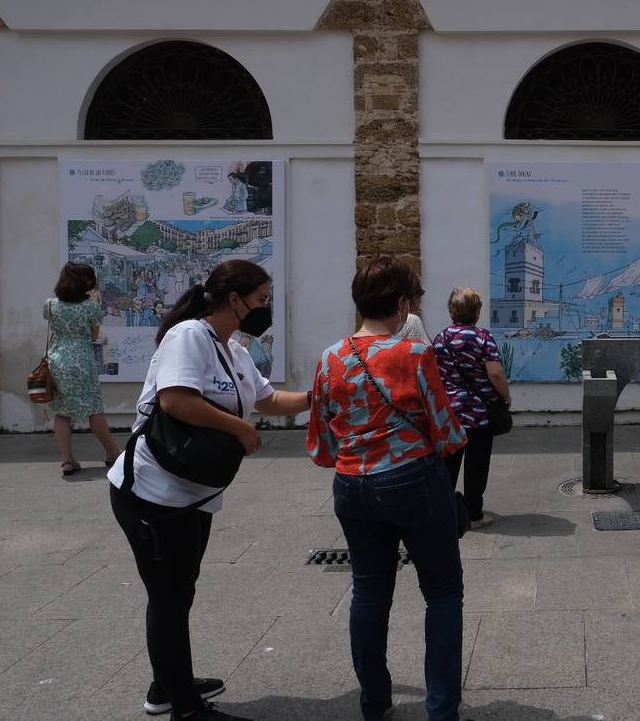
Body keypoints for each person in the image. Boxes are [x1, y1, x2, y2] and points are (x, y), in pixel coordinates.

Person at [107, 260, 310, 721]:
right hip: (151, 494)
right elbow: (174, 399)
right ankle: (184, 706)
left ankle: (168, 681)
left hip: (190, 493)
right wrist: (240, 429)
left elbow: (270, 400)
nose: (265, 308)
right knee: (169, 595)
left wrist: (323, 391)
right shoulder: (189, 337)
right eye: (260, 300)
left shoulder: (235, 351)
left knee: (181, 590)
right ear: (234, 300)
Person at [309, 257, 467, 721]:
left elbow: (322, 439)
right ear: (402, 304)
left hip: (352, 483)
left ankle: (374, 703)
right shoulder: (415, 354)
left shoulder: (330, 356)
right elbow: (447, 430)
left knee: (369, 593)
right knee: (442, 592)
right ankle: (441, 711)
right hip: (413, 478)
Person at [432, 287, 512, 529]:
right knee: (477, 466)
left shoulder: (440, 339)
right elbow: (495, 373)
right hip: (479, 415)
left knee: (449, 465)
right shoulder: (482, 338)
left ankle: (444, 512)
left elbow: (434, 375)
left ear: (451, 310)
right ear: (476, 312)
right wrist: (506, 396)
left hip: (451, 414)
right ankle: (474, 514)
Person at [45, 262, 120, 475]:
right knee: (93, 409)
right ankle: (112, 452)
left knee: (62, 413)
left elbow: (54, 332)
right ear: (84, 282)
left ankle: (67, 461)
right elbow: (94, 336)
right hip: (82, 361)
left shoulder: (50, 305)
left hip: (57, 360)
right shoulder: (91, 307)